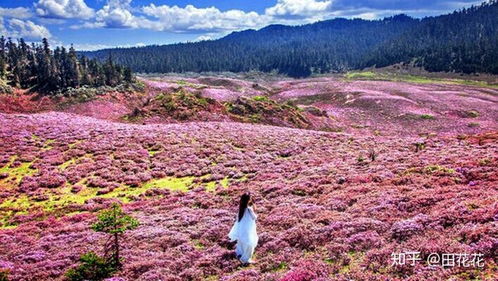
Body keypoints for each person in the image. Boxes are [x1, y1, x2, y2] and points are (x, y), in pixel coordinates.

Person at [228, 192, 258, 264]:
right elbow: (254, 217)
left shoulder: (241, 209)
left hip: (241, 230)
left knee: (241, 242)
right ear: (248, 200)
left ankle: (239, 254)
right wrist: (254, 206)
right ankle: (245, 259)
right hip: (248, 230)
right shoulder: (249, 209)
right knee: (250, 244)